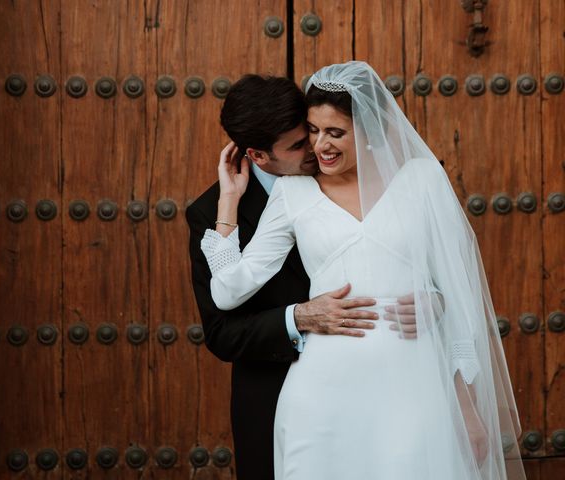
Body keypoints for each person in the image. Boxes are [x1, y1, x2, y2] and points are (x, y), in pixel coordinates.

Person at [200, 61, 526, 480]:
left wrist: (466, 405)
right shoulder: (292, 192)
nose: (320, 146)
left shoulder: (423, 180)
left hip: (415, 390)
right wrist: (228, 204)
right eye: (313, 132)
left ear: (369, 130)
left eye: (335, 132)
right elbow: (228, 292)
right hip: (322, 396)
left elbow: (459, 300)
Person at [186, 74, 390, 480]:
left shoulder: (358, 174)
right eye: (300, 144)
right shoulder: (210, 214)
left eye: (313, 131)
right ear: (259, 156)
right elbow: (222, 332)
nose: (316, 147)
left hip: (373, 384)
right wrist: (297, 318)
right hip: (273, 394)